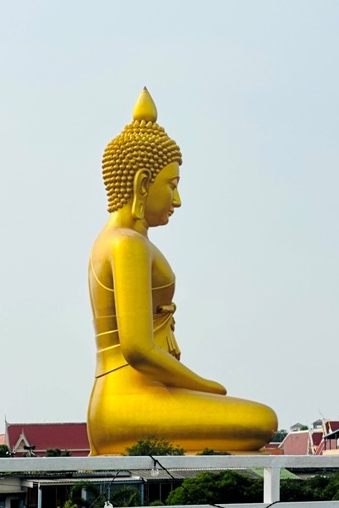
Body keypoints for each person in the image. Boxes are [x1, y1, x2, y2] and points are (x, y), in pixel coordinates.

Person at [87, 88, 277, 455]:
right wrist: (203, 385)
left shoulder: (114, 241)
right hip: (126, 403)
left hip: (129, 400)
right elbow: (139, 349)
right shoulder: (126, 244)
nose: (177, 200)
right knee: (262, 421)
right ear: (143, 183)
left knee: (254, 425)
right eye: (171, 186)